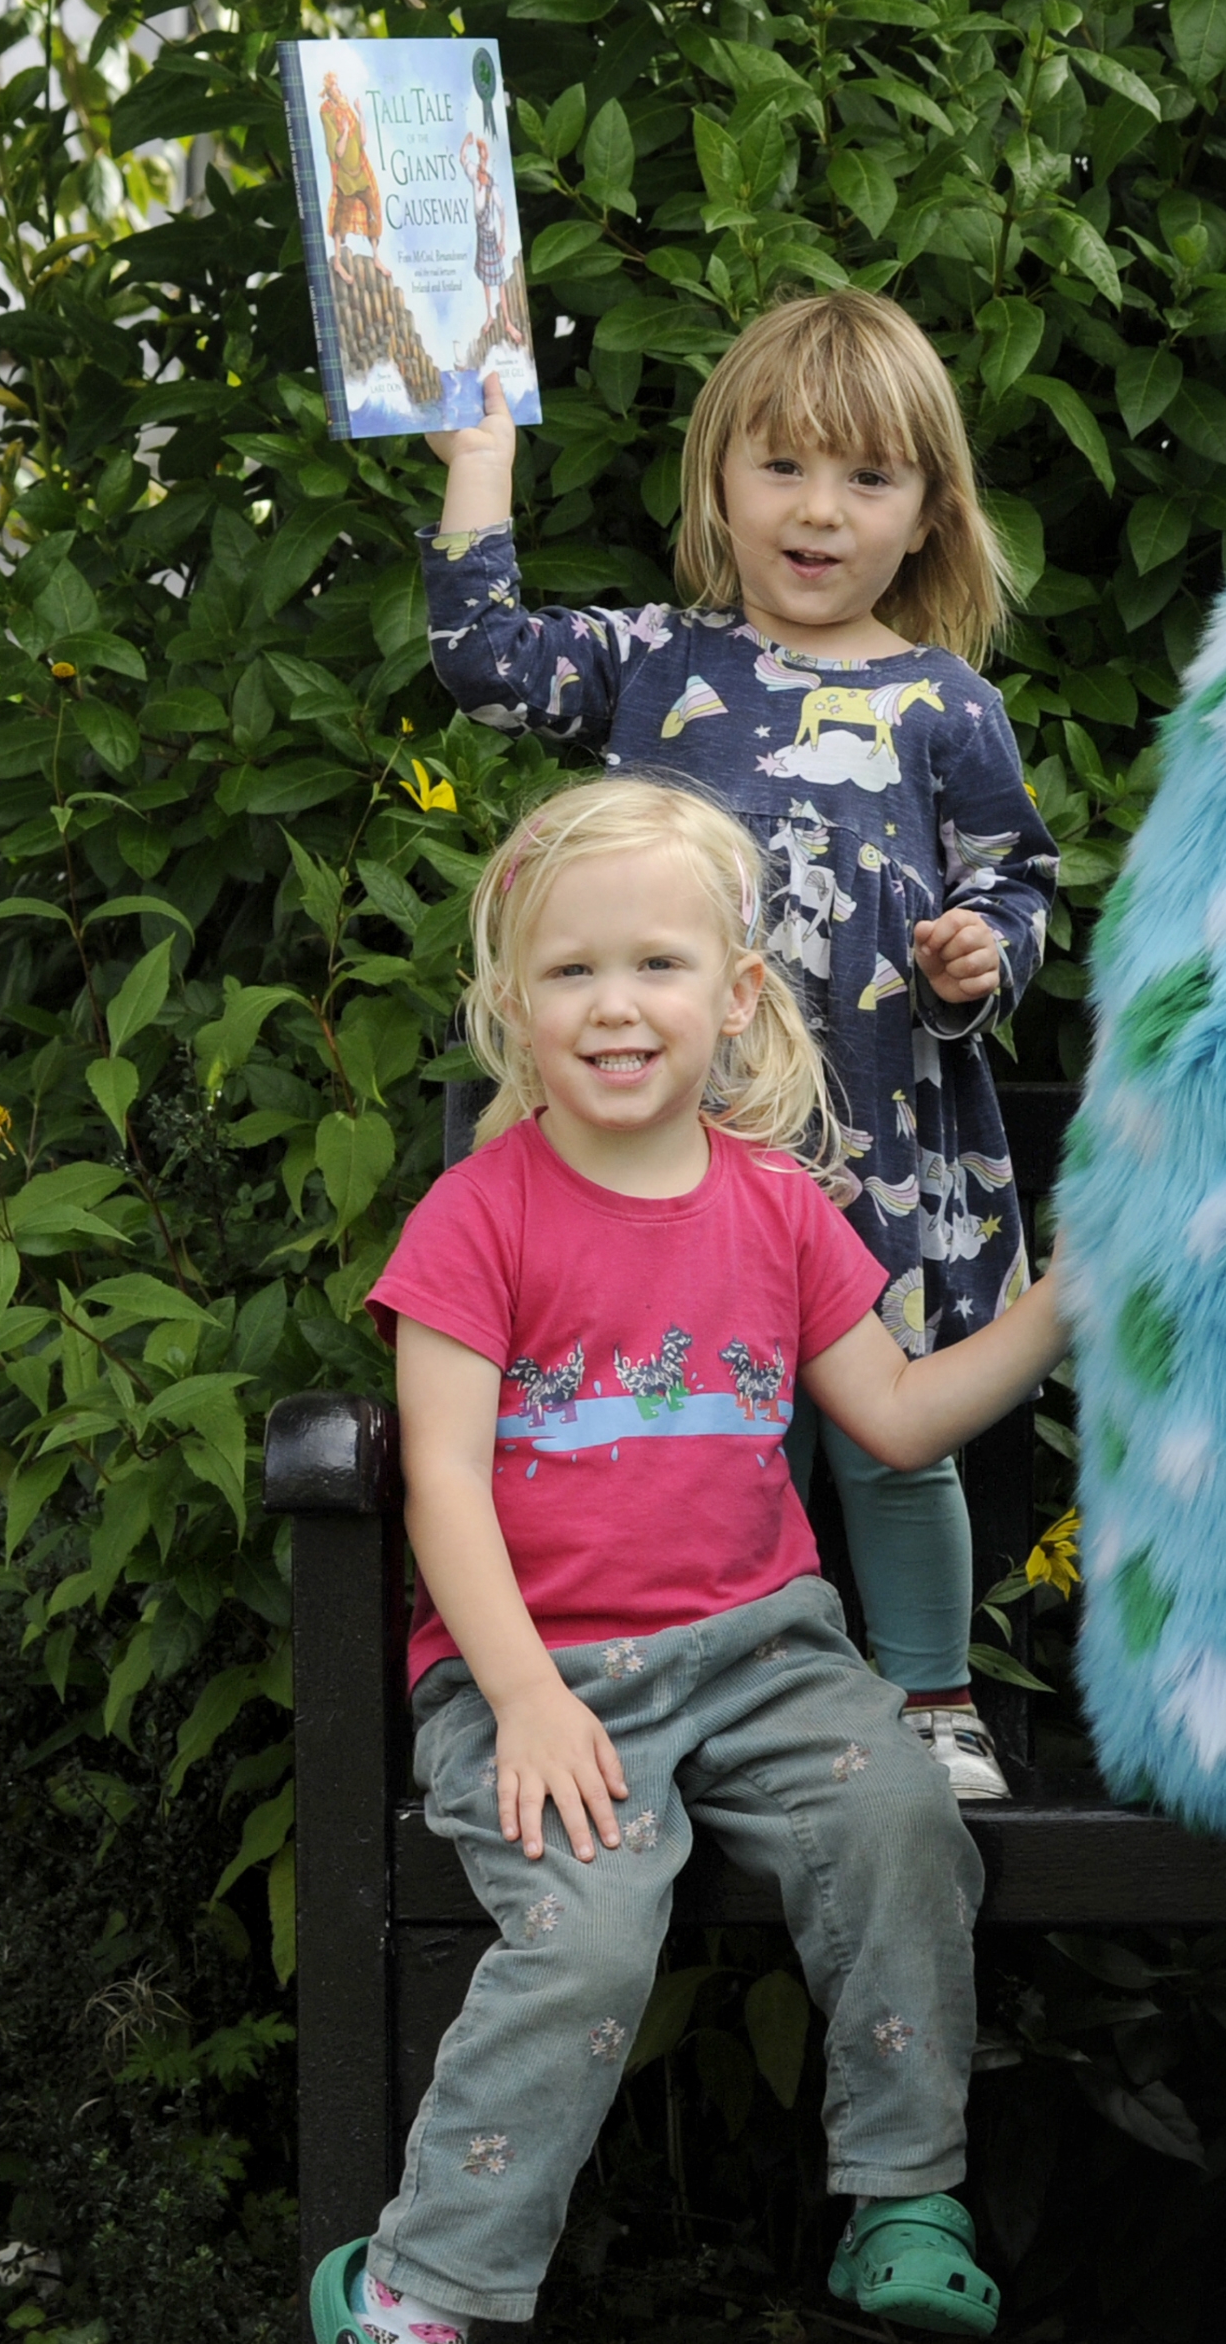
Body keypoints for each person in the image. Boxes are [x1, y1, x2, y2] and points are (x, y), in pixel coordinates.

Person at [315, 779, 1074, 2344]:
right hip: (547, 1672)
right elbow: (439, 1473)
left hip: (765, 1652)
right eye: (569, 970)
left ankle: (905, 2194)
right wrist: (516, 1695)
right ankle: (413, 2307)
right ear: (515, 1004)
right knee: (583, 1944)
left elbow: (891, 1422)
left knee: (897, 1815)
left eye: (657, 963)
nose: (614, 1004)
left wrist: (1057, 1309)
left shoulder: (780, 1209)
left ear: (736, 992)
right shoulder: (480, 1218)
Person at [426, 290, 1059, 1800]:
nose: (820, 512)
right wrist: (481, 458)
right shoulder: (656, 662)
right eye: (782, 468)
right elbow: (485, 661)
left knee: (895, 1437)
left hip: (893, 1144)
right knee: (714, 1422)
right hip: (683, 1152)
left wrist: (980, 953)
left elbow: (1015, 879)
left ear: (929, 515)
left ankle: (928, 1697)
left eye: (868, 479)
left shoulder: (944, 706)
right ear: (717, 482)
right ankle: (714, 1681)